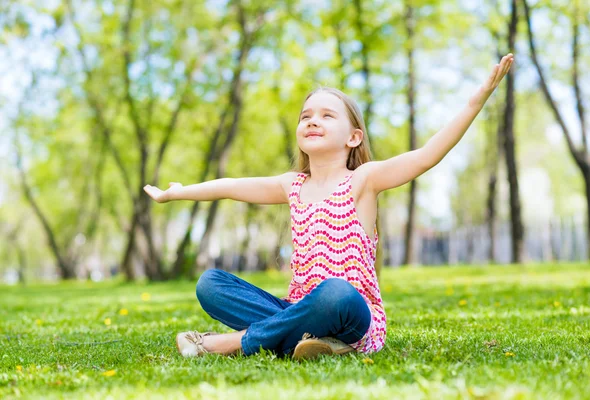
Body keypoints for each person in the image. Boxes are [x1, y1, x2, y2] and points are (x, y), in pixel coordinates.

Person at [144, 54, 514, 360]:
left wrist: (476, 100)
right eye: (306, 116)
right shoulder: (292, 185)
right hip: (300, 310)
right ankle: (314, 345)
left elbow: (426, 156)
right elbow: (232, 187)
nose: (312, 121)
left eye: (326, 115)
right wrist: (180, 192)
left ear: (353, 137)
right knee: (211, 284)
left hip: (350, 314)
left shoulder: (363, 180)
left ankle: (230, 343)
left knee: (334, 292)